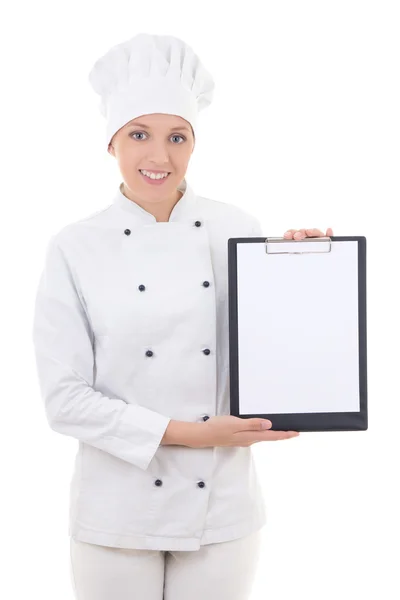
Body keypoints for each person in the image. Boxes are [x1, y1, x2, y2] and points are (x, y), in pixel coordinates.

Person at [31, 33, 334, 600]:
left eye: (178, 137)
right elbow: (64, 400)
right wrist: (197, 435)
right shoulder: (74, 246)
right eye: (139, 135)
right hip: (115, 511)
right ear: (110, 143)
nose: (160, 156)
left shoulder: (236, 227)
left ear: (194, 144)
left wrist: (309, 268)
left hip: (222, 507)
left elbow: (282, 342)